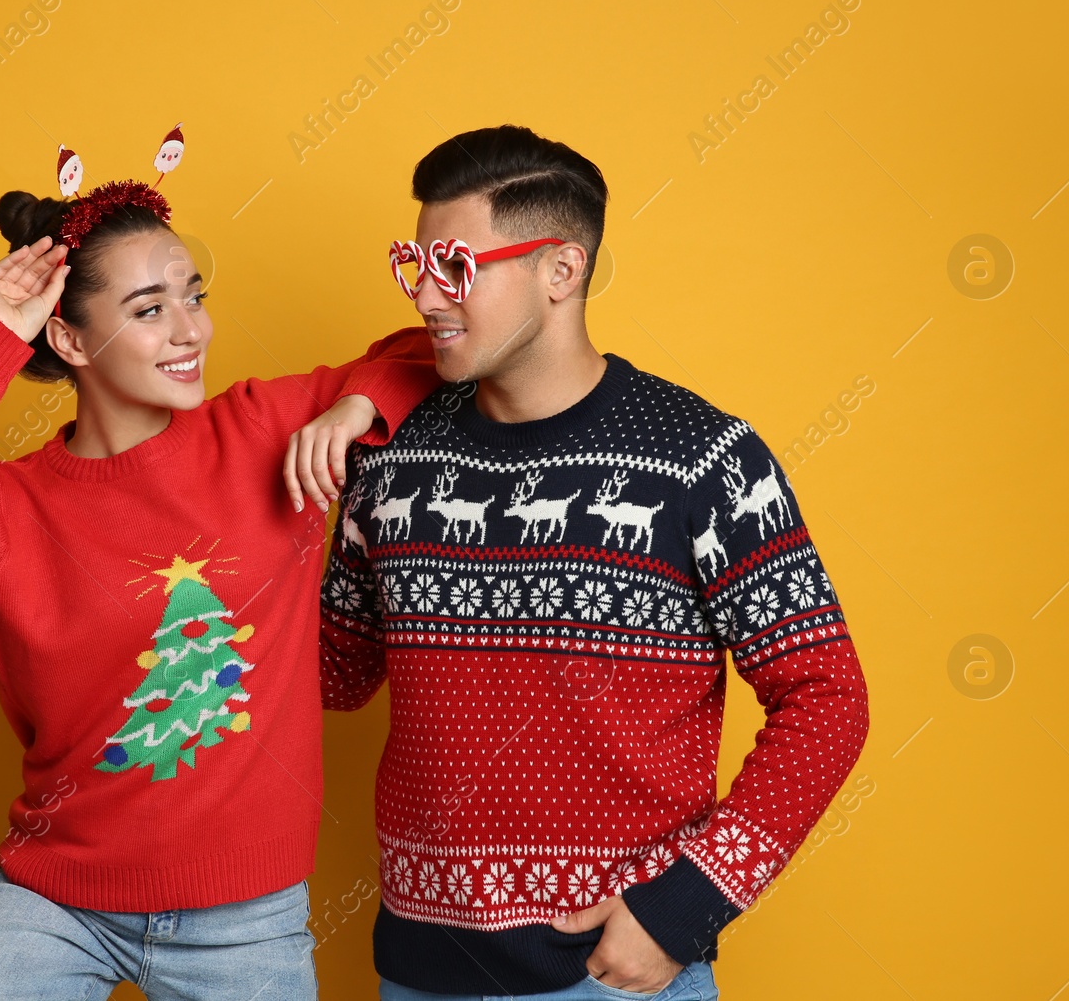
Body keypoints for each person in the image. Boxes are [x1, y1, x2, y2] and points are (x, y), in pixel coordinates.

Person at [0, 174, 443, 1000]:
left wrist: (350, 406)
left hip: (245, 916)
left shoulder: (261, 430)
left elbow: (433, 355)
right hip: (53, 897)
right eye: (149, 309)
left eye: (195, 295)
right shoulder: (3, 508)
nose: (191, 329)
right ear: (71, 342)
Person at [319, 125, 871, 1000]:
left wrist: (686, 908)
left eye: (454, 266)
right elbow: (334, 675)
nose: (426, 294)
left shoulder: (703, 460)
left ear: (561, 270)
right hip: (420, 970)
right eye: (413, 264)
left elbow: (828, 697)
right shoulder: (388, 457)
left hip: (616, 978)